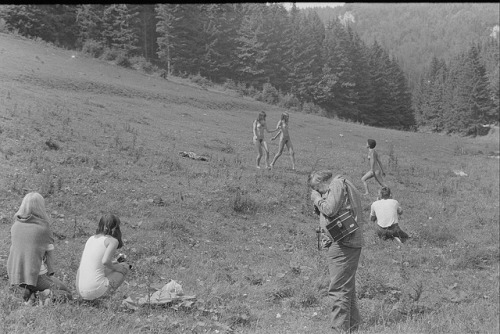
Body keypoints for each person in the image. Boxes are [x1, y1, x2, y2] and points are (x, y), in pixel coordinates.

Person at [308, 170, 365, 333]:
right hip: (345, 242)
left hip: (343, 243)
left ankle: (338, 329)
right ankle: (353, 326)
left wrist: (317, 199)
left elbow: (331, 209)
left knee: (338, 290)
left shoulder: (337, 184)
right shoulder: (343, 184)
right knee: (346, 288)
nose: (319, 193)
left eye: (318, 189)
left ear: (321, 182)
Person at [7, 192, 72, 303]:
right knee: (67, 293)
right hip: (36, 276)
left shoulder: (15, 226)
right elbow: (50, 256)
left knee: (57, 286)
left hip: (15, 276)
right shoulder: (43, 228)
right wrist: (50, 274)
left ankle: (30, 294)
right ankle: (41, 294)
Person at [76, 214, 131, 301]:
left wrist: (113, 263)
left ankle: (92, 297)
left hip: (80, 290)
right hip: (93, 291)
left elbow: (94, 263)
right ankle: (104, 298)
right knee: (125, 266)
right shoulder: (112, 241)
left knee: (109, 267)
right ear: (116, 227)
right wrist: (118, 268)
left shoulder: (91, 238)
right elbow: (105, 261)